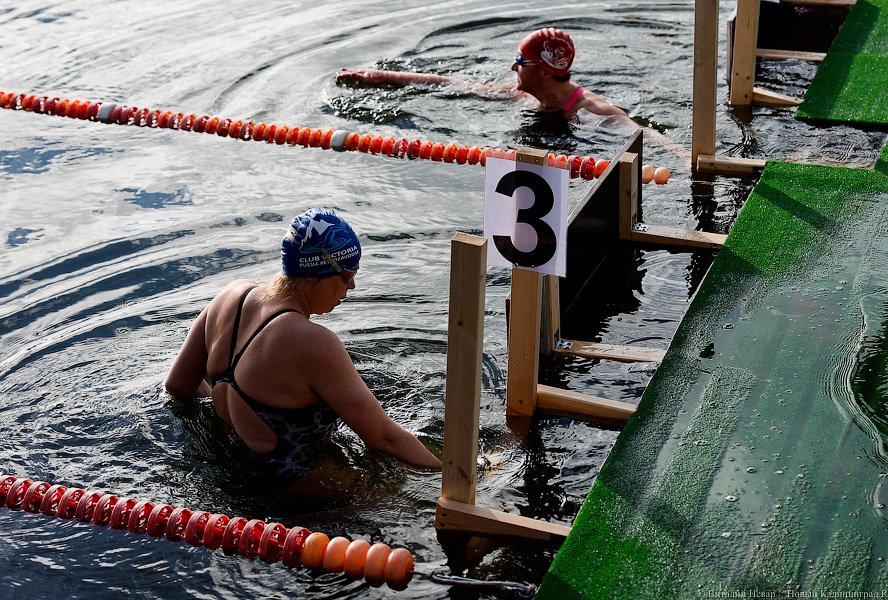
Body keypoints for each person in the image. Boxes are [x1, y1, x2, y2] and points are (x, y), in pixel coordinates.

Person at [165, 208, 442, 481]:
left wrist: (234, 419)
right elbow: (385, 438)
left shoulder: (231, 295)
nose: (352, 286)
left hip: (228, 469)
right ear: (312, 275)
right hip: (291, 492)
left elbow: (178, 385)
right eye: (348, 274)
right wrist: (459, 477)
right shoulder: (313, 342)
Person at [337, 27, 689, 160]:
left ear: (539, 69)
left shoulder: (588, 110)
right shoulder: (527, 96)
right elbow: (453, 85)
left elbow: (644, 134)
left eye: (519, 61)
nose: (512, 67)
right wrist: (381, 76)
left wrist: (686, 159)